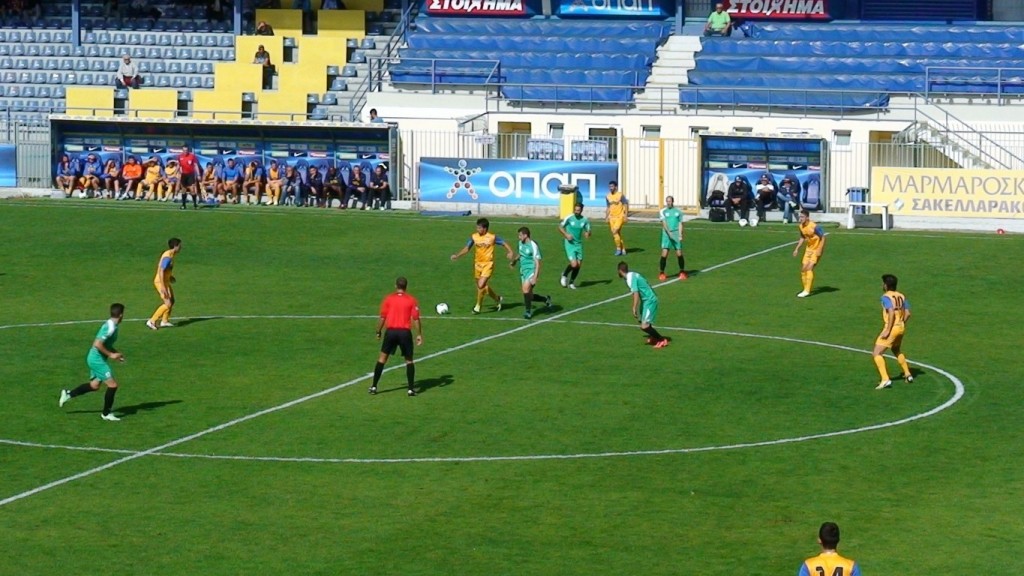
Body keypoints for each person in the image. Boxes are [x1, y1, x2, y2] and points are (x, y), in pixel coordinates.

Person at [58, 303, 127, 421]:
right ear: (120, 315)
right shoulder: (110, 328)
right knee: (113, 385)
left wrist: (116, 354)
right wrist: (111, 355)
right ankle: (106, 414)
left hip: (96, 358)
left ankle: (68, 394)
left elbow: (106, 344)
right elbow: (97, 344)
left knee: (94, 386)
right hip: (96, 360)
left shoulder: (112, 325)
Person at [369, 276, 424, 397]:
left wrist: (378, 331)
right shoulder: (411, 300)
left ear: (396, 286)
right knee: (409, 360)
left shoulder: (388, 299)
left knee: (382, 359)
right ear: (406, 287)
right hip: (404, 333)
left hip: (391, 332)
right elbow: (415, 319)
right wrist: (419, 334)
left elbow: (382, 317)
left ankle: (373, 386)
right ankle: (410, 389)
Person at [450, 217, 514, 314]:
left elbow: (503, 243)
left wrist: (510, 251)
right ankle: (497, 299)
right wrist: (457, 255)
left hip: (488, 264)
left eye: (479, 228)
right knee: (482, 287)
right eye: (477, 227)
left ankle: (478, 306)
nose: (477, 229)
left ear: (485, 228)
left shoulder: (492, 237)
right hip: (477, 264)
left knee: (480, 285)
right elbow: (467, 248)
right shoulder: (474, 237)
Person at [873, 274, 914, 390]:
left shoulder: (886, 297)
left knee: (877, 353)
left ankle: (885, 379)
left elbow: (891, 313)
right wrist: (901, 324)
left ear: (886, 285)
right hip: (901, 327)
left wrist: (888, 330)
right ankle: (908, 374)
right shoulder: (901, 296)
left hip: (892, 328)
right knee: (896, 349)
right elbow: (908, 313)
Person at [618, 261, 669, 348]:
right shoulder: (633, 274)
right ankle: (654, 337)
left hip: (650, 301)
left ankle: (661, 340)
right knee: (644, 322)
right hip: (646, 301)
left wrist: (634, 307)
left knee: (644, 326)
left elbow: (636, 293)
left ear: (620, 271)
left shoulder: (630, 278)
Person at [511, 226, 552, 320]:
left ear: (525, 235)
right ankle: (545, 299)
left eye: (520, 235)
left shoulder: (533, 245)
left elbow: (538, 262)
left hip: (531, 271)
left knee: (525, 289)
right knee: (530, 296)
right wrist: (514, 261)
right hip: (523, 271)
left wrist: (535, 277)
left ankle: (528, 312)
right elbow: (521, 254)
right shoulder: (520, 243)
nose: (519, 237)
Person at [147, 238, 182, 330]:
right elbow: (161, 270)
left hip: (165, 281)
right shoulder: (167, 256)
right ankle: (152, 321)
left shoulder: (171, 255)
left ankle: (164, 321)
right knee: (168, 303)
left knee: (172, 300)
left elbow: (166, 270)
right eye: (179, 245)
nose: (181, 247)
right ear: (175, 246)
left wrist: (170, 276)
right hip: (160, 282)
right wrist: (163, 286)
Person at [558, 202, 591, 290]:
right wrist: (566, 234)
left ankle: (571, 282)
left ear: (581, 210)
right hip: (569, 244)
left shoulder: (585, 220)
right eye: (575, 210)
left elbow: (588, 230)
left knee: (578, 265)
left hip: (578, 244)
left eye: (578, 210)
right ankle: (564, 275)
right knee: (574, 264)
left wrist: (588, 233)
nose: (576, 212)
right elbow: (560, 227)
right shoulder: (569, 218)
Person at [793, 209, 825, 298]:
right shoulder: (801, 227)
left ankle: (807, 291)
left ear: (807, 217)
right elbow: (802, 238)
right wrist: (797, 249)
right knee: (803, 269)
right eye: (800, 217)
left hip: (816, 250)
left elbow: (823, 238)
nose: (800, 219)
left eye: (802, 217)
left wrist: (820, 249)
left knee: (809, 268)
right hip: (808, 250)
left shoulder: (814, 227)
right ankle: (805, 289)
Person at [658, 195, 687, 281]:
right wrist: (669, 232)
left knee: (679, 253)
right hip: (666, 235)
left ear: (672, 202)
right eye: (667, 201)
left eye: (669, 201)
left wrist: (680, 234)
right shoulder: (663, 211)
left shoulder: (678, 212)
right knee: (664, 254)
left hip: (675, 234)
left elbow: (680, 223)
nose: (668, 203)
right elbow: (664, 223)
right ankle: (662, 273)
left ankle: (682, 271)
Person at [605, 180, 628, 256]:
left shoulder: (620, 195)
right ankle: (623, 248)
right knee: (617, 233)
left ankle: (618, 249)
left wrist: (625, 215)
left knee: (614, 231)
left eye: (612, 186)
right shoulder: (608, 196)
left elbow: (625, 204)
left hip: (619, 216)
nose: (610, 188)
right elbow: (608, 207)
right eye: (609, 186)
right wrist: (606, 216)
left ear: (616, 187)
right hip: (612, 217)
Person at [177, 145, 201, 209]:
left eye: (186, 150)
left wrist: (198, 174)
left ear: (188, 150)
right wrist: (176, 172)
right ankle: (183, 205)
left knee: (192, 190)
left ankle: (195, 204)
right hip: (183, 175)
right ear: (182, 150)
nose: (185, 151)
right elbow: (179, 165)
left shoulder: (192, 156)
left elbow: (195, 165)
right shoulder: (180, 156)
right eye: (184, 150)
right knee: (183, 190)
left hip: (190, 174)